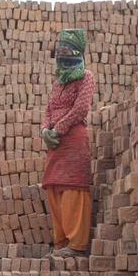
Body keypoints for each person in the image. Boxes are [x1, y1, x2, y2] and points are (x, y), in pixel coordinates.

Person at [40, 29, 96, 258]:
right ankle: (60, 241)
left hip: (73, 139)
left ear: (78, 52)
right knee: (53, 186)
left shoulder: (86, 77)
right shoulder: (57, 82)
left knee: (73, 188)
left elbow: (81, 108)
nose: (62, 53)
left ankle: (76, 243)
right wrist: (44, 130)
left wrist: (58, 129)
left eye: (67, 49)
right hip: (54, 143)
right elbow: (48, 109)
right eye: (59, 49)